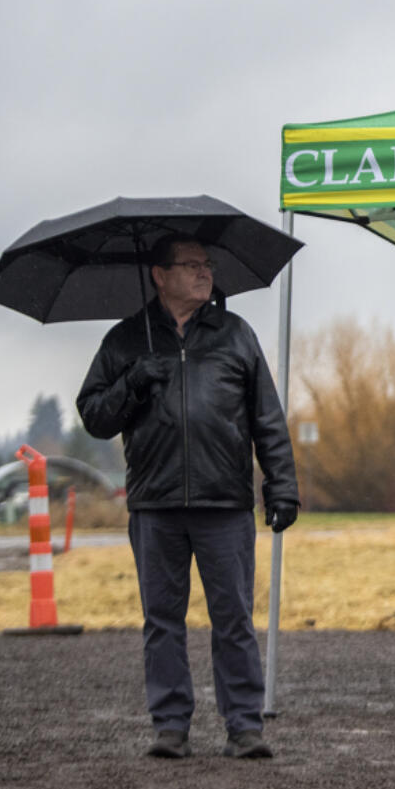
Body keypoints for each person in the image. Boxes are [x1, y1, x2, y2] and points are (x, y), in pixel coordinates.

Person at [77, 235, 299, 761]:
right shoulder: (125, 341)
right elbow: (93, 416)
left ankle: (245, 726)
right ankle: (170, 725)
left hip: (224, 502)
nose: (205, 274)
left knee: (234, 619)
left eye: (208, 264)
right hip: (154, 504)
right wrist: (132, 382)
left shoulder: (236, 334)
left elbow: (267, 418)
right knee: (161, 620)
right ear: (159, 275)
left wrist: (282, 485)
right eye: (192, 265)